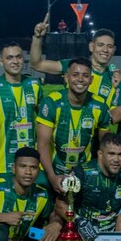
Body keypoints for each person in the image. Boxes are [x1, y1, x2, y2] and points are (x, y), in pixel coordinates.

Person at [36, 56, 111, 194]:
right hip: (52, 170)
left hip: (83, 173)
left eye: (85, 75)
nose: (80, 79)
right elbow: (43, 145)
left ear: (91, 80)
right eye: (75, 75)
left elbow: (105, 144)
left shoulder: (100, 106)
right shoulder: (52, 102)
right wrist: (52, 177)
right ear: (66, 78)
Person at [30, 16, 120, 107]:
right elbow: (37, 64)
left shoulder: (114, 78)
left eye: (109, 46)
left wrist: (118, 88)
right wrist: (38, 38)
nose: (105, 50)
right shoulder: (73, 66)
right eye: (100, 45)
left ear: (114, 50)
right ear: (91, 46)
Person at [0, 39, 42, 175]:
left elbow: (42, 124)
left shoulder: (34, 84)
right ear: (1, 61)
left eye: (18, 57)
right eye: (9, 58)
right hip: (2, 165)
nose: (15, 61)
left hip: (31, 165)